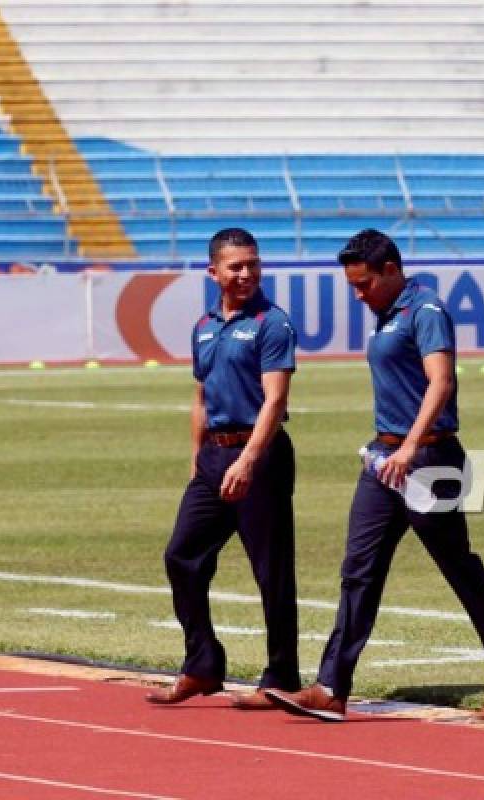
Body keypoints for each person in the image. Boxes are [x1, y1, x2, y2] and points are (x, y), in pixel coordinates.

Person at [265, 229, 484, 722]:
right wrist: (386, 448)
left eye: (364, 284)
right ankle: (330, 687)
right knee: (358, 571)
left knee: (460, 570)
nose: (358, 294)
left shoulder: (425, 311)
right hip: (385, 461)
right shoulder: (385, 314)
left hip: (430, 460)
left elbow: (442, 382)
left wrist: (409, 446)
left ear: (391, 269)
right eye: (352, 286)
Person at [146, 228, 301, 710]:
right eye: (235, 266)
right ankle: (202, 665)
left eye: (253, 264)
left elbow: (276, 398)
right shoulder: (204, 325)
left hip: (260, 454)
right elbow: (200, 393)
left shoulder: (273, 323)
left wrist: (250, 458)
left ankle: (282, 677)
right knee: (181, 556)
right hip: (214, 457)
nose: (246, 273)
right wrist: (197, 457)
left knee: (271, 572)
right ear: (213, 272)